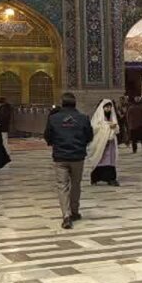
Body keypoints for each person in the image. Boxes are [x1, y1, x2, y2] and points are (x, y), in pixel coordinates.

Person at [44, 92, 93, 229]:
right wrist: (81, 144)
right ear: (75, 103)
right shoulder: (83, 118)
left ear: (62, 103)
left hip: (60, 157)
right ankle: (74, 211)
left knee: (62, 185)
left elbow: (47, 135)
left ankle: (66, 215)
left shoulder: (53, 118)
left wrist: (55, 144)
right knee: (76, 184)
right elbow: (89, 136)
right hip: (77, 156)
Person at [88, 98, 121, 185]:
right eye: (106, 107)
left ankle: (111, 178)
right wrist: (107, 126)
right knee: (100, 159)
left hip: (110, 143)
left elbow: (117, 129)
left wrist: (114, 126)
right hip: (101, 142)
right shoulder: (98, 117)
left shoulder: (112, 117)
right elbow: (94, 128)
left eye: (110, 107)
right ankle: (96, 178)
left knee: (110, 160)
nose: (108, 109)